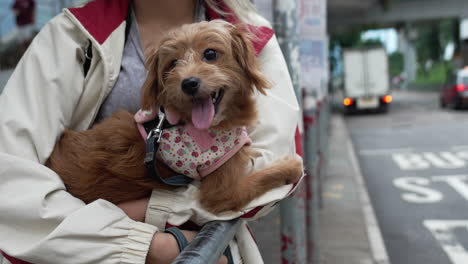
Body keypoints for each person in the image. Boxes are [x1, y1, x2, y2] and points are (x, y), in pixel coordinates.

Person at [0, 0, 302, 263]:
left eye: (210, 55)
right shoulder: (70, 35)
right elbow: (10, 177)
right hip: (87, 250)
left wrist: (153, 209)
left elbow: (277, 159)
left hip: (211, 250)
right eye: (172, 65)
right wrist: (145, 245)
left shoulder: (249, 33)